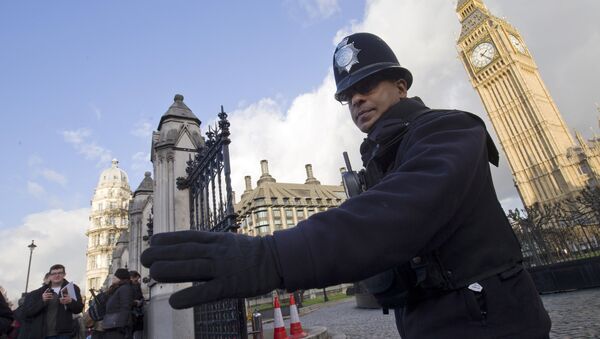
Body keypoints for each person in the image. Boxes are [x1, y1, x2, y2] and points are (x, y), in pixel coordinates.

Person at [141, 32, 552, 338]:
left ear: (402, 86)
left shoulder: (449, 129)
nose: (357, 100)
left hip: (493, 324)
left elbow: (394, 216)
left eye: (367, 86)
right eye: (348, 95)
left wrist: (273, 258)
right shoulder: (375, 159)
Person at [20, 264, 84, 339]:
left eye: (60, 273)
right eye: (53, 273)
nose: (57, 275)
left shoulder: (71, 288)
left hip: (64, 333)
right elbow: (29, 312)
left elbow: (79, 309)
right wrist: (42, 301)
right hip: (44, 333)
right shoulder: (41, 291)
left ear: (64, 274)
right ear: (50, 276)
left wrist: (70, 302)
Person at [102, 269, 133, 339]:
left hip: (117, 327)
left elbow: (125, 307)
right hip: (112, 325)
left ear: (121, 279)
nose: (113, 278)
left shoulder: (125, 288)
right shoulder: (117, 289)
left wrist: (121, 326)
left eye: (115, 277)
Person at [128, 271, 143, 339]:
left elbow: (140, 296)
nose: (137, 281)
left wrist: (141, 300)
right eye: (136, 280)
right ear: (131, 278)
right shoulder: (127, 287)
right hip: (131, 314)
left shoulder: (137, 285)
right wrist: (135, 302)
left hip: (137, 313)